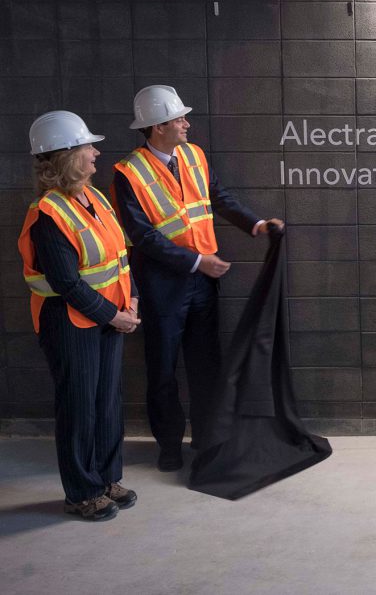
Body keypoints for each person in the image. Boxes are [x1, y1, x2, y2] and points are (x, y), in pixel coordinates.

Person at [111, 85, 283, 472]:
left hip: (203, 283)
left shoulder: (194, 155)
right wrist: (196, 262)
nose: (187, 124)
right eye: (179, 119)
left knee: (207, 366)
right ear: (157, 128)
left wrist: (254, 224)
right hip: (161, 286)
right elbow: (143, 236)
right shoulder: (128, 173)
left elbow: (218, 197)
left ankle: (207, 439)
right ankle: (169, 445)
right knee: (162, 370)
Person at [17, 111, 140, 521]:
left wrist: (132, 299)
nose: (96, 153)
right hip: (69, 323)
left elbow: (120, 258)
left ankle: (106, 480)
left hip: (108, 318)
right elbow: (67, 284)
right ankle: (81, 493)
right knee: (79, 407)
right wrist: (114, 315)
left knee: (107, 404)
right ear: (68, 157)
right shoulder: (48, 214)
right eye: (88, 147)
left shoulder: (95, 197)